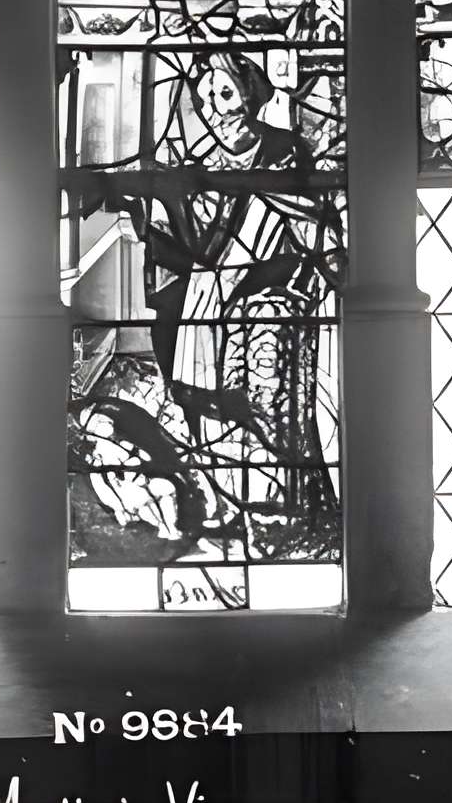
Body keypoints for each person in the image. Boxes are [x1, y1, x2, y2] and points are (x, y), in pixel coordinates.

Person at [138, 53, 342, 555]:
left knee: (267, 410)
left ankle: (281, 513)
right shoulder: (198, 163)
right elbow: (184, 241)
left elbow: (308, 221)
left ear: (251, 94)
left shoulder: (283, 151)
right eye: (204, 94)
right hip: (204, 300)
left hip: (268, 307)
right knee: (207, 406)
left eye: (225, 92)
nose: (214, 105)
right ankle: (225, 506)